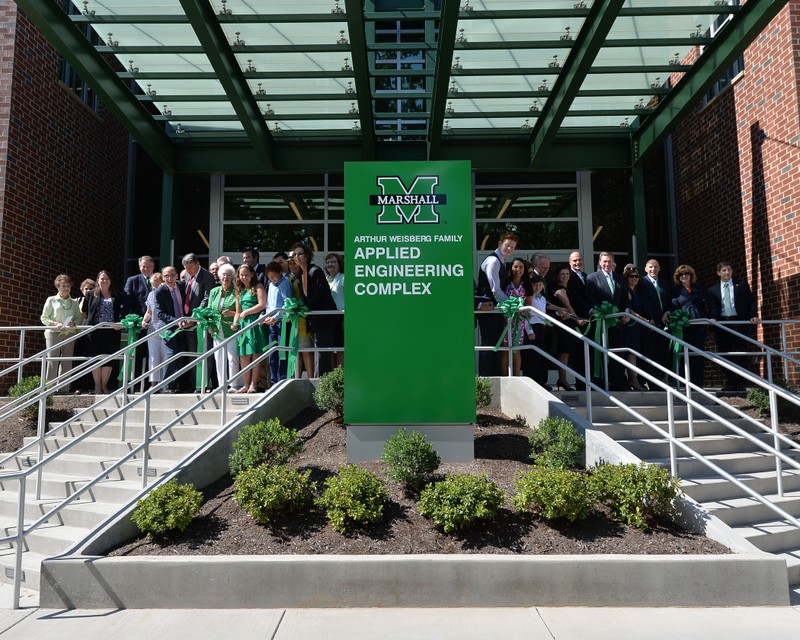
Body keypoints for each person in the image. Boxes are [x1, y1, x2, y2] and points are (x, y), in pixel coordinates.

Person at [706, 261, 759, 392]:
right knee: (724, 353)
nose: (727, 272)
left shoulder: (741, 285)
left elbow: (751, 301)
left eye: (729, 269)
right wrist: (713, 322)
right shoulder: (712, 290)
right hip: (723, 323)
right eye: (724, 270)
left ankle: (741, 383)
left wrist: (753, 315)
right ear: (719, 273)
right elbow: (712, 307)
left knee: (741, 352)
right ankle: (731, 382)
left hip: (738, 322)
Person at [664, 264, 718, 390]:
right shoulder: (675, 290)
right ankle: (684, 383)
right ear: (678, 277)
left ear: (691, 275)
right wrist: (668, 312)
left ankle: (698, 384)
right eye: (681, 275)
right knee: (684, 354)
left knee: (698, 354)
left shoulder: (700, 288)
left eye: (686, 274)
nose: (684, 276)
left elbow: (711, 304)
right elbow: (672, 306)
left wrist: (712, 317)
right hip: (684, 327)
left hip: (699, 326)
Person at [291, 242, 337, 376]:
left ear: (307, 256)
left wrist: (305, 308)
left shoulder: (315, 271)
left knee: (322, 353)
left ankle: (320, 383)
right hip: (314, 319)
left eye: (300, 254)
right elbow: (305, 298)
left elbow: (318, 295)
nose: (297, 257)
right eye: (295, 254)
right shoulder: (300, 274)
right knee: (318, 351)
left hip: (325, 318)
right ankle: (319, 381)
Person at [475, 233, 518, 376]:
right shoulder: (493, 261)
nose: (509, 248)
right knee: (489, 343)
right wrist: (510, 304)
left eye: (512, 247)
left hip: (495, 309)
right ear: (500, 244)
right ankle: (485, 377)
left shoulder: (501, 261)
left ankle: (492, 375)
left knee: (495, 343)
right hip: (488, 309)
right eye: (507, 245)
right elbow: (495, 289)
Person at [585, 251, 629, 390]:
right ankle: (601, 382)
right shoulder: (592, 278)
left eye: (609, 261)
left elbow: (625, 300)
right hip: (600, 323)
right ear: (599, 262)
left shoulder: (620, 278)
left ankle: (618, 382)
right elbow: (589, 298)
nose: (607, 264)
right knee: (599, 352)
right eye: (604, 261)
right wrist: (598, 311)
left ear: (613, 262)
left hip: (617, 323)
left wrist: (627, 312)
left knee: (617, 352)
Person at [181, 253, 217, 391]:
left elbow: (206, 299)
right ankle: (194, 384)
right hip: (188, 323)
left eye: (190, 267)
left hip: (201, 322)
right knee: (192, 354)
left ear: (197, 264)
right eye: (186, 268)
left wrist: (195, 318)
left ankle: (203, 384)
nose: (188, 270)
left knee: (204, 352)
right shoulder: (189, 277)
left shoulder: (206, 276)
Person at [83, 271, 122, 394]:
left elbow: (120, 312)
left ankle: (104, 385)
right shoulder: (90, 294)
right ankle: (97, 385)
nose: (104, 281)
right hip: (95, 331)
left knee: (108, 359)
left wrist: (119, 323)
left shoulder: (117, 295)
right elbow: (84, 311)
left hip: (111, 332)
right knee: (95, 358)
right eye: (102, 278)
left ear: (110, 281)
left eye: (107, 278)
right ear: (97, 280)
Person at [41, 274, 82, 386]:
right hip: (54, 333)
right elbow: (44, 318)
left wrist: (74, 323)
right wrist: (55, 323)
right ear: (58, 286)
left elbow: (78, 318)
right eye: (63, 285)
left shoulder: (74, 302)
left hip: (69, 334)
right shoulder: (51, 300)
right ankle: (49, 388)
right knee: (52, 361)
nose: (66, 288)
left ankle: (64, 389)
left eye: (68, 286)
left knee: (66, 362)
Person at [154, 266, 190, 392]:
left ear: (176, 276)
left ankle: (176, 385)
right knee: (171, 354)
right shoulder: (159, 292)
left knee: (180, 355)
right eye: (166, 276)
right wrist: (176, 321)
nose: (170, 278)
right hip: (169, 328)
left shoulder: (182, 286)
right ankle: (166, 386)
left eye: (172, 275)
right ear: (163, 278)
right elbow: (160, 314)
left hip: (184, 327)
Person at [232, 263, 268, 393]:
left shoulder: (258, 286)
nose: (244, 277)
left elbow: (262, 304)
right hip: (243, 325)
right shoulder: (239, 290)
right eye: (241, 275)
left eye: (246, 274)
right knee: (244, 356)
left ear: (252, 274)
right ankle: (245, 384)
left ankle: (254, 384)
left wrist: (246, 313)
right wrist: (235, 323)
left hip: (255, 324)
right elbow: (237, 312)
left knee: (255, 355)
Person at [552, 266, 588, 390]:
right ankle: (562, 380)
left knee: (569, 352)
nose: (565, 276)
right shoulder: (559, 289)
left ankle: (564, 380)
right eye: (562, 274)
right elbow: (568, 306)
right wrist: (577, 319)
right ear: (557, 276)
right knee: (564, 352)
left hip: (570, 323)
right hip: (563, 325)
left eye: (567, 274)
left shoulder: (569, 289)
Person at [637, 258, 671, 388]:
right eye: (650, 267)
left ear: (659, 269)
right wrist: (649, 318)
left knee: (662, 354)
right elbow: (643, 302)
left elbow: (669, 301)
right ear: (645, 269)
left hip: (663, 324)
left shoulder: (664, 284)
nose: (653, 269)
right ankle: (650, 382)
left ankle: (659, 382)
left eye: (656, 267)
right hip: (649, 325)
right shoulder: (642, 283)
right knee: (649, 353)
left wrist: (667, 312)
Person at [207, 263, 241, 391]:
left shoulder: (237, 290)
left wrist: (232, 314)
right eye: (223, 275)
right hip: (216, 329)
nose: (225, 277)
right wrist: (210, 325)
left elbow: (239, 310)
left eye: (228, 275)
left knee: (232, 357)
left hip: (231, 328)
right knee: (218, 358)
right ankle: (222, 385)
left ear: (232, 277)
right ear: (219, 277)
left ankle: (234, 385)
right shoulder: (214, 291)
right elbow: (209, 310)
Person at [122, 255, 156, 381]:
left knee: (153, 355)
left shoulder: (158, 279)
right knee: (138, 353)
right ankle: (136, 383)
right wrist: (125, 319)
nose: (146, 269)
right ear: (139, 267)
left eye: (148, 266)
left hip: (156, 323)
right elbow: (126, 302)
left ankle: (151, 383)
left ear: (153, 267)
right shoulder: (133, 280)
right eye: (143, 266)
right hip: (139, 324)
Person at [499, 257, 532, 377]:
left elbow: (529, 304)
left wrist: (525, 312)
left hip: (519, 321)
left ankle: (517, 376)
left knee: (516, 350)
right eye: (515, 266)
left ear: (524, 269)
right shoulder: (505, 282)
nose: (518, 269)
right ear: (511, 267)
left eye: (521, 267)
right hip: (505, 320)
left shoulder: (527, 284)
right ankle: (504, 376)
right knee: (504, 351)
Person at [263, 261, 293, 385]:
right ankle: (273, 380)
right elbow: (269, 304)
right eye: (269, 277)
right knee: (272, 352)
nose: (272, 279)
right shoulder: (271, 284)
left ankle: (282, 379)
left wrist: (275, 317)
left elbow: (287, 304)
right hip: (272, 323)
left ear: (280, 272)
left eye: (274, 276)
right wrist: (265, 317)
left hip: (282, 322)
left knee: (282, 352)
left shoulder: (285, 283)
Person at [287, 256, 315, 378]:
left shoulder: (304, 276)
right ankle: (296, 379)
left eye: (294, 263)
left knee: (306, 351)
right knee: (295, 351)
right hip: (293, 320)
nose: (292, 266)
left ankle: (311, 379)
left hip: (303, 318)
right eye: (290, 264)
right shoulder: (289, 278)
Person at [621, 264, 646, 391]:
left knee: (634, 353)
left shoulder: (636, 291)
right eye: (631, 276)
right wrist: (642, 319)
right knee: (631, 353)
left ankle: (634, 379)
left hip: (636, 327)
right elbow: (628, 309)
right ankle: (632, 379)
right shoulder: (626, 291)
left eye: (636, 276)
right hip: (629, 326)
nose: (634, 278)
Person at [141, 272, 166, 390]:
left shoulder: (167, 293)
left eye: (157, 285)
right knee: (153, 356)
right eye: (153, 286)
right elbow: (148, 311)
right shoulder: (151, 295)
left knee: (165, 355)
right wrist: (144, 321)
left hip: (165, 328)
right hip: (152, 329)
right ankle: (153, 383)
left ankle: (164, 383)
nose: (154, 288)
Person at [325, 252, 345, 369]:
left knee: (340, 349)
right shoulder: (326, 279)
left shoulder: (343, 278)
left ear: (339, 264)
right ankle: (332, 376)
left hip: (340, 317)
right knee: (330, 350)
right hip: (327, 318)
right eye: (328, 262)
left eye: (333, 262)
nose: (330, 264)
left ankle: (340, 375)